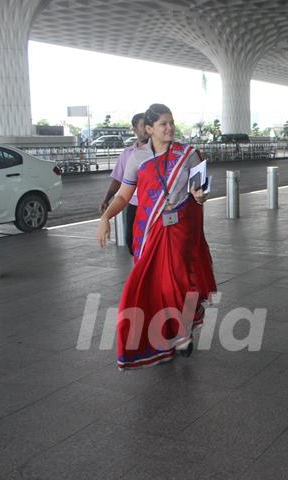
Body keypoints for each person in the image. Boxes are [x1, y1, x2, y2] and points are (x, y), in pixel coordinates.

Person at [97, 104, 216, 370]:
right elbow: (125, 195)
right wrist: (106, 217)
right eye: (163, 124)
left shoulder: (188, 155)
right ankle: (165, 334)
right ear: (149, 129)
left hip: (182, 228)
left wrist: (200, 194)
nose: (170, 128)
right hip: (149, 230)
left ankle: (183, 330)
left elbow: (203, 186)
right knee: (153, 285)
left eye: (172, 122)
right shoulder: (136, 158)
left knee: (181, 280)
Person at [99, 113, 147, 255]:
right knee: (132, 242)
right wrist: (107, 199)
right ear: (134, 129)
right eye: (143, 125)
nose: (147, 129)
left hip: (154, 206)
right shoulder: (127, 154)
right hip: (134, 205)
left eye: (149, 125)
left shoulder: (160, 152)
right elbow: (117, 179)